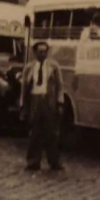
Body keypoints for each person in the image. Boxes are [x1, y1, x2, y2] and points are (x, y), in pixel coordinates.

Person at [22, 41, 65, 172]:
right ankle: (33, 161)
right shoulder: (29, 68)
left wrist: (59, 103)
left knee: (51, 133)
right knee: (35, 133)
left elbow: (60, 85)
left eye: (45, 51)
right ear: (35, 53)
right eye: (40, 51)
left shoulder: (53, 66)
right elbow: (24, 87)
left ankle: (54, 161)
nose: (42, 54)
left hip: (48, 100)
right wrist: (23, 105)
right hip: (35, 100)